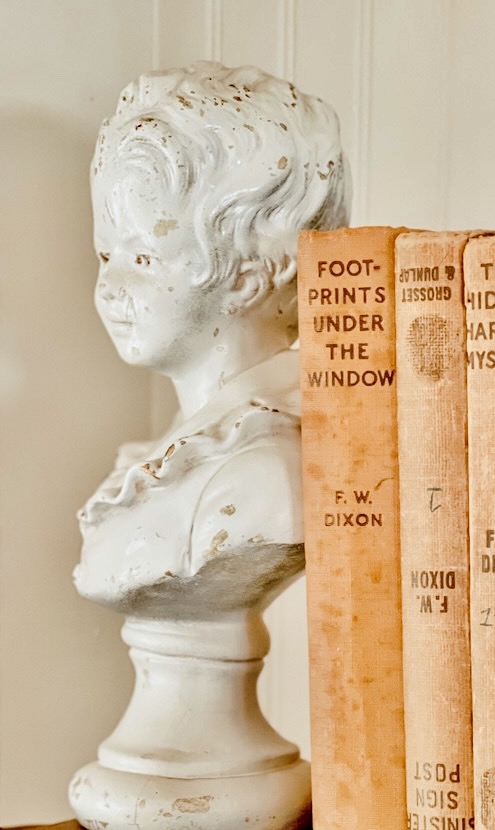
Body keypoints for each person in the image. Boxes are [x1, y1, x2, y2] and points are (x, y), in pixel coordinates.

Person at [76, 61, 350, 615]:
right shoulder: (175, 453)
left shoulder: (259, 479)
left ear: (246, 280)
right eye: (107, 254)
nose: (109, 287)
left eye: (144, 258)